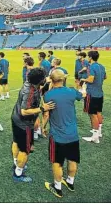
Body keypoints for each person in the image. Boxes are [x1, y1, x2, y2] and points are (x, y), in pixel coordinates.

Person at [42, 69, 86, 198]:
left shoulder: (48, 95)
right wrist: (82, 87)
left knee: (57, 162)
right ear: (63, 79)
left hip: (57, 136)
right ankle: (70, 182)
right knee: (72, 159)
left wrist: (42, 127)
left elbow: (46, 114)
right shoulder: (71, 92)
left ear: (52, 80)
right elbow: (81, 95)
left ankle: (57, 187)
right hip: (72, 134)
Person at [11, 68, 55, 183]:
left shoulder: (29, 83)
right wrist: (42, 108)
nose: (46, 79)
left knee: (16, 142)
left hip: (16, 119)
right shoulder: (30, 92)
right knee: (25, 150)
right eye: (44, 78)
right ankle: (18, 173)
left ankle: (16, 163)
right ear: (39, 81)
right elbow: (24, 111)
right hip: (24, 123)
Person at [80, 51, 106, 144]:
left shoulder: (92, 67)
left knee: (92, 114)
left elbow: (91, 79)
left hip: (92, 94)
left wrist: (83, 79)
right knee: (98, 112)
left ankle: (95, 137)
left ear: (90, 57)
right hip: (100, 93)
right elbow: (105, 77)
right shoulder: (101, 66)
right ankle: (98, 132)